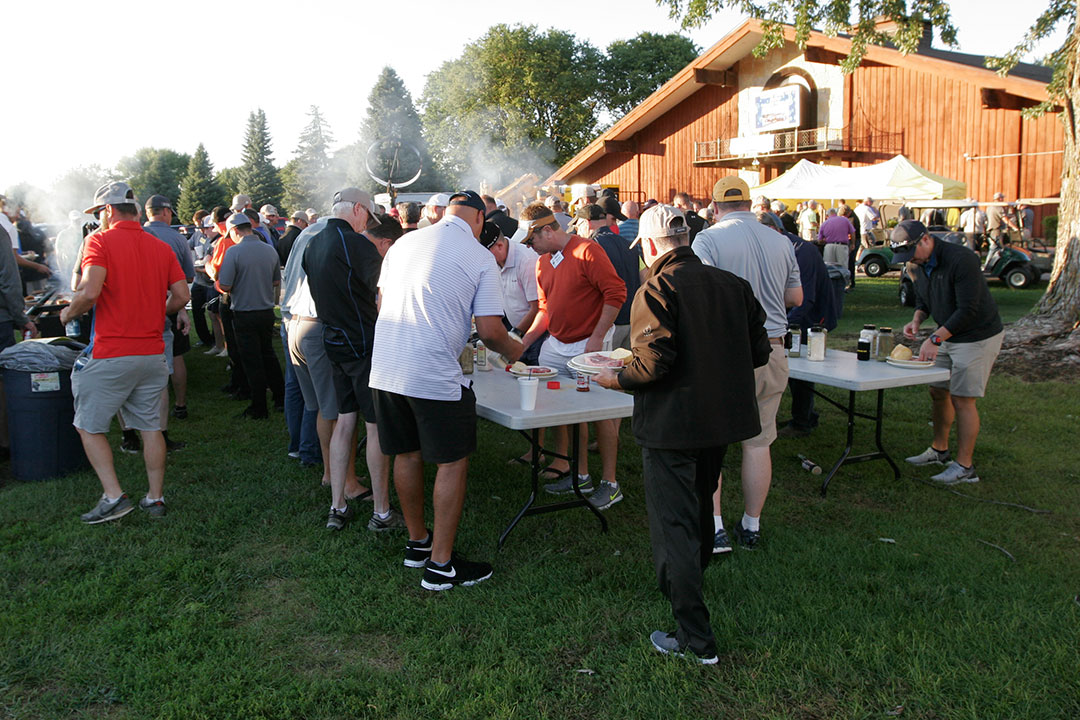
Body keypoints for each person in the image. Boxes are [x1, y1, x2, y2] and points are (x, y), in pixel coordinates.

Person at [594, 204, 769, 665]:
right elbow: (758, 350)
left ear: (650, 246)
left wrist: (614, 377)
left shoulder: (657, 285)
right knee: (696, 513)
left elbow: (652, 364)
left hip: (673, 424)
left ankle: (695, 639)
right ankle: (687, 586)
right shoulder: (732, 284)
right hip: (720, 421)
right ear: (686, 239)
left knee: (675, 523)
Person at [369, 190, 523, 591]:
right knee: (452, 461)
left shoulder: (404, 243)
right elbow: (490, 331)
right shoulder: (479, 256)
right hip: (433, 372)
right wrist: (516, 351)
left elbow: (382, 300)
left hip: (386, 366)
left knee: (406, 452)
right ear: (476, 217)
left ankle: (417, 543)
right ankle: (440, 567)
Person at [60, 182, 189, 523]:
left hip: (111, 352)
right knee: (151, 428)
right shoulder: (159, 246)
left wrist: (67, 314)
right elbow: (181, 295)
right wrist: (158, 311)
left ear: (107, 211)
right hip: (152, 353)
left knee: (88, 426)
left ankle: (114, 496)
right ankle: (155, 498)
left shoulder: (98, 241)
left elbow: (89, 292)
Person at [693, 177, 802, 551]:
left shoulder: (707, 239)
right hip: (772, 346)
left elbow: (700, 294)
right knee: (759, 442)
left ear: (715, 205)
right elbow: (795, 296)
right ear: (750, 203)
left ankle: (716, 526)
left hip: (727, 350)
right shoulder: (781, 239)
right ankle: (751, 526)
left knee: (714, 442)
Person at [303, 188, 402, 532]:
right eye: (367, 217)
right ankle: (381, 512)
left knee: (345, 421)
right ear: (358, 209)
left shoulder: (312, 242)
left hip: (333, 341)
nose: (366, 225)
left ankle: (338, 506)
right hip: (363, 343)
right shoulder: (356, 243)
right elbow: (385, 292)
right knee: (374, 426)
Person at [519, 203, 627, 510]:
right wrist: (524, 341)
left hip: (588, 344)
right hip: (556, 344)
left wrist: (596, 337)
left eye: (531, 240)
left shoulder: (588, 251)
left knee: (600, 410)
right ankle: (578, 473)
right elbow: (545, 309)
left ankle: (610, 483)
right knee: (563, 407)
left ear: (548, 230)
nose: (530, 247)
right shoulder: (543, 262)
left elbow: (616, 293)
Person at [891, 220, 1004, 485]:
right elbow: (924, 299)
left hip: (977, 335)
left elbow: (968, 310)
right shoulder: (915, 264)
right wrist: (917, 320)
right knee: (938, 390)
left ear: (926, 240)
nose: (909, 260)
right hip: (947, 333)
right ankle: (939, 450)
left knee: (963, 398)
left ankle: (965, 467)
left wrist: (934, 338)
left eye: (911, 252)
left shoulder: (961, 260)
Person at [216, 212, 284, 419]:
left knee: (251, 359)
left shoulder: (235, 252)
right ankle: (280, 398)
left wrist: (218, 282)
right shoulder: (269, 250)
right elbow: (275, 281)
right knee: (268, 354)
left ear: (235, 231)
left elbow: (225, 285)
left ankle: (259, 406)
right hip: (266, 311)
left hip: (244, 311)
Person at [142, 195, 195, 426]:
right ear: (166, 213)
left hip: (140, 306)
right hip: (171, 301)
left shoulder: (136, 236)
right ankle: (180, 405)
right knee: (176, 355)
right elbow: (188, 276)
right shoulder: (176, 237)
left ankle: (143, 411)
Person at [478, 221, 542, 365]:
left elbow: (537, 307)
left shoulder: (526, 261)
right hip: (515, 330)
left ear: (500, 246)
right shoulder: (494, 262)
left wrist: (515, 334)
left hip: (534, 335)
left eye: (485, 255)